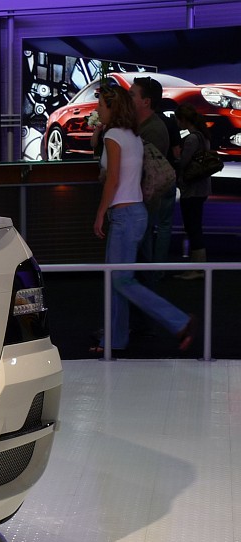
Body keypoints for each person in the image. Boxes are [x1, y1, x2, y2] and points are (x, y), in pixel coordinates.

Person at [90, 85, 193, 355]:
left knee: (120, 281)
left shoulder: (114, 135)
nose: (97, 109)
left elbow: (113, 179)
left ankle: (178, 321)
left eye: (100, 105)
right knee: (117, 280)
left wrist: (100, 213)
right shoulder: (132, 135)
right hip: (135, 214)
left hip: (124, 216)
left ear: (112, 107)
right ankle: (114, 340)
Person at [131, 76, 175, 280]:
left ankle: (148, 287)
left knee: (142, 252)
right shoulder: (140, 125)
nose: (128, 99)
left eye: (132, 95)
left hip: (144, 201)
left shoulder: (154, 130)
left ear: (146, 101)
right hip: (138, 200)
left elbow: (147, 172)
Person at [174, 103, 213, 280]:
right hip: (203, 187)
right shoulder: (204, 137)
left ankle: (197, 269)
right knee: (195, 226)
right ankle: (198, 267)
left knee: (192, 228)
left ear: (183, 119)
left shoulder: (191, 139)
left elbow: (184, 163)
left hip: (192, 189)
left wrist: (177, 157)